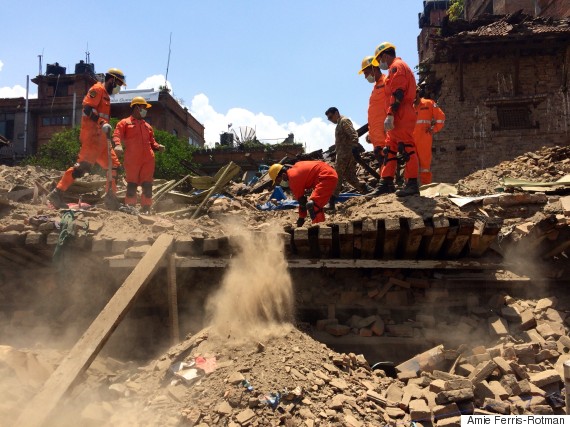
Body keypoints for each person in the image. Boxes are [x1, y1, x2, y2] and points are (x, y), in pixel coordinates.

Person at [48, 68, 127, 208]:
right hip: (92, 138)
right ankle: (57, 193)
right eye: (118, 85)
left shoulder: (106, 97)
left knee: (114, 167)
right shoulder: (97, 89)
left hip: (102, 140)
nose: (118, 88)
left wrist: (106, 128)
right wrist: (102, 123)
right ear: (112, 80)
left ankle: (110, 199)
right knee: (81, 168)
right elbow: (87, 109)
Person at [368, 42, 419, 197]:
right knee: (389, 149)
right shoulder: (395, 68)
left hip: (401, 113)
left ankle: (411, 183)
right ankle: (386, 182)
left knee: (407, 148)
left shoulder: (397, 67)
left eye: (380, 59)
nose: (380, 63)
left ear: (384, 55)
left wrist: (390, 114)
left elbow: (398, 93)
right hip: (398, 114)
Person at [112, 96, 165, 214]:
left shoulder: (148, 126)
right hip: (132, 158)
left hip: (148, 159)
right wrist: (118, 144)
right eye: (143, 107)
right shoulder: (124, 123)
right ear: (136, 107)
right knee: (132, 183)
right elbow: (117, 134)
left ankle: (146, 208)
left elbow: (152, 142)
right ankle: (130, 206)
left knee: (147, 184)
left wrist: (158, 146)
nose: (145, 110)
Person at [268, 161, 338, 226]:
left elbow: (302, 201)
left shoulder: (293, 178)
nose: (280, 183)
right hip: (327, 174)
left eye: (279, 180)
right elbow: (302, 202)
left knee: (313, 205)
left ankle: (319, 229)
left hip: (326, 176)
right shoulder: (295, 169)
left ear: (283, 175)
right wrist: (302, 217)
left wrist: (301, 218)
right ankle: (321, 224)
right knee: (316, 204)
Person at [325, 107, 368, 209]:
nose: (330, 120)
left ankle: (331, 202)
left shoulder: (344, 121)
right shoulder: (339, 124)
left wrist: (354, 147)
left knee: (336, 176)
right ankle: (367, 190)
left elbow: (353, 134)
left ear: (336, 113)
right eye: (328, 119)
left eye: (331, 117)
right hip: (343, 154)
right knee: (349, 177)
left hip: (346, 155)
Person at [413, 85, 445, 185]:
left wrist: (434, 129)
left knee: (425, 166)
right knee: (410, 163)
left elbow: (441, 117)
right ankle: (410, 186)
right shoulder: (409, 107)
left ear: (417, 93)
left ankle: (426, 187)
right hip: (411, 138)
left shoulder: (429, 103)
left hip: (424, 138)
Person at [358, 56, 387, 167]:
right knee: (383, 166)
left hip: (385, 137)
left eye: (366, 73)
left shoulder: (386, 82)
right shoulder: (376, 88)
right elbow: (374, 115)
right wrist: (371, 133)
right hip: (377, 139)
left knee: (388, 166)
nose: (365, 77)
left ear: (374, 68)